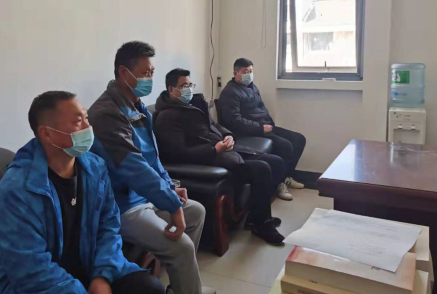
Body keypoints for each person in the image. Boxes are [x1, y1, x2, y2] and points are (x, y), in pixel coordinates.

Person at [0, 91, 164, 294]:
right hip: (38, 286)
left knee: (150, 288)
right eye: (78, 122)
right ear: (47, 134)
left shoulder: (95, 168)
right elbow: (28, 267)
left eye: (86, 118)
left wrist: (102, 276)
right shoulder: (17, 189)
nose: (88, 127)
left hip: (88, 269)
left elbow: (108, 226)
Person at [88, 41, 214, 294]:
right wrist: (171, 203)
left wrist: (170, 188)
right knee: (182, 247)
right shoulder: (106, 114)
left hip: (144, 195)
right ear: (124, 73)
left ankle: (181, 285)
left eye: (152, 72)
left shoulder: (138, 107)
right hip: (121, 206)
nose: (149, 79)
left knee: (196, 211)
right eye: (145, 73)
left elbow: (153, 159)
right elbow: (134, 167)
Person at [153, 68, 286, 246]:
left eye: (190, 85)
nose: (189, 89)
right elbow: (178, 152)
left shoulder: (194, 104)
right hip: (210, 158)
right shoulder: (167, 116)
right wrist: (214, 150)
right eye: (184, 86)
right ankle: (262, 225)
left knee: (276, 162)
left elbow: (214, 125)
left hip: (225, 149)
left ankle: (256, 216)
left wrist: (228, 135)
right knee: (262, 168)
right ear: (171, 89)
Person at [219, 58, 307, 201]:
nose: (249, 74)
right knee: (286, 146)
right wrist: (260, 128)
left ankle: (286, 177)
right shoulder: (230, 92)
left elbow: (261, 109)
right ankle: (278, 184)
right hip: (250, 131)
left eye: (251, 71)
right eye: (245, 71)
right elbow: (234, 121)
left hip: (265, 126)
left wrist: (269, 124)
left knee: (299, 139)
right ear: (235, 73)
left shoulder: (252, 87)